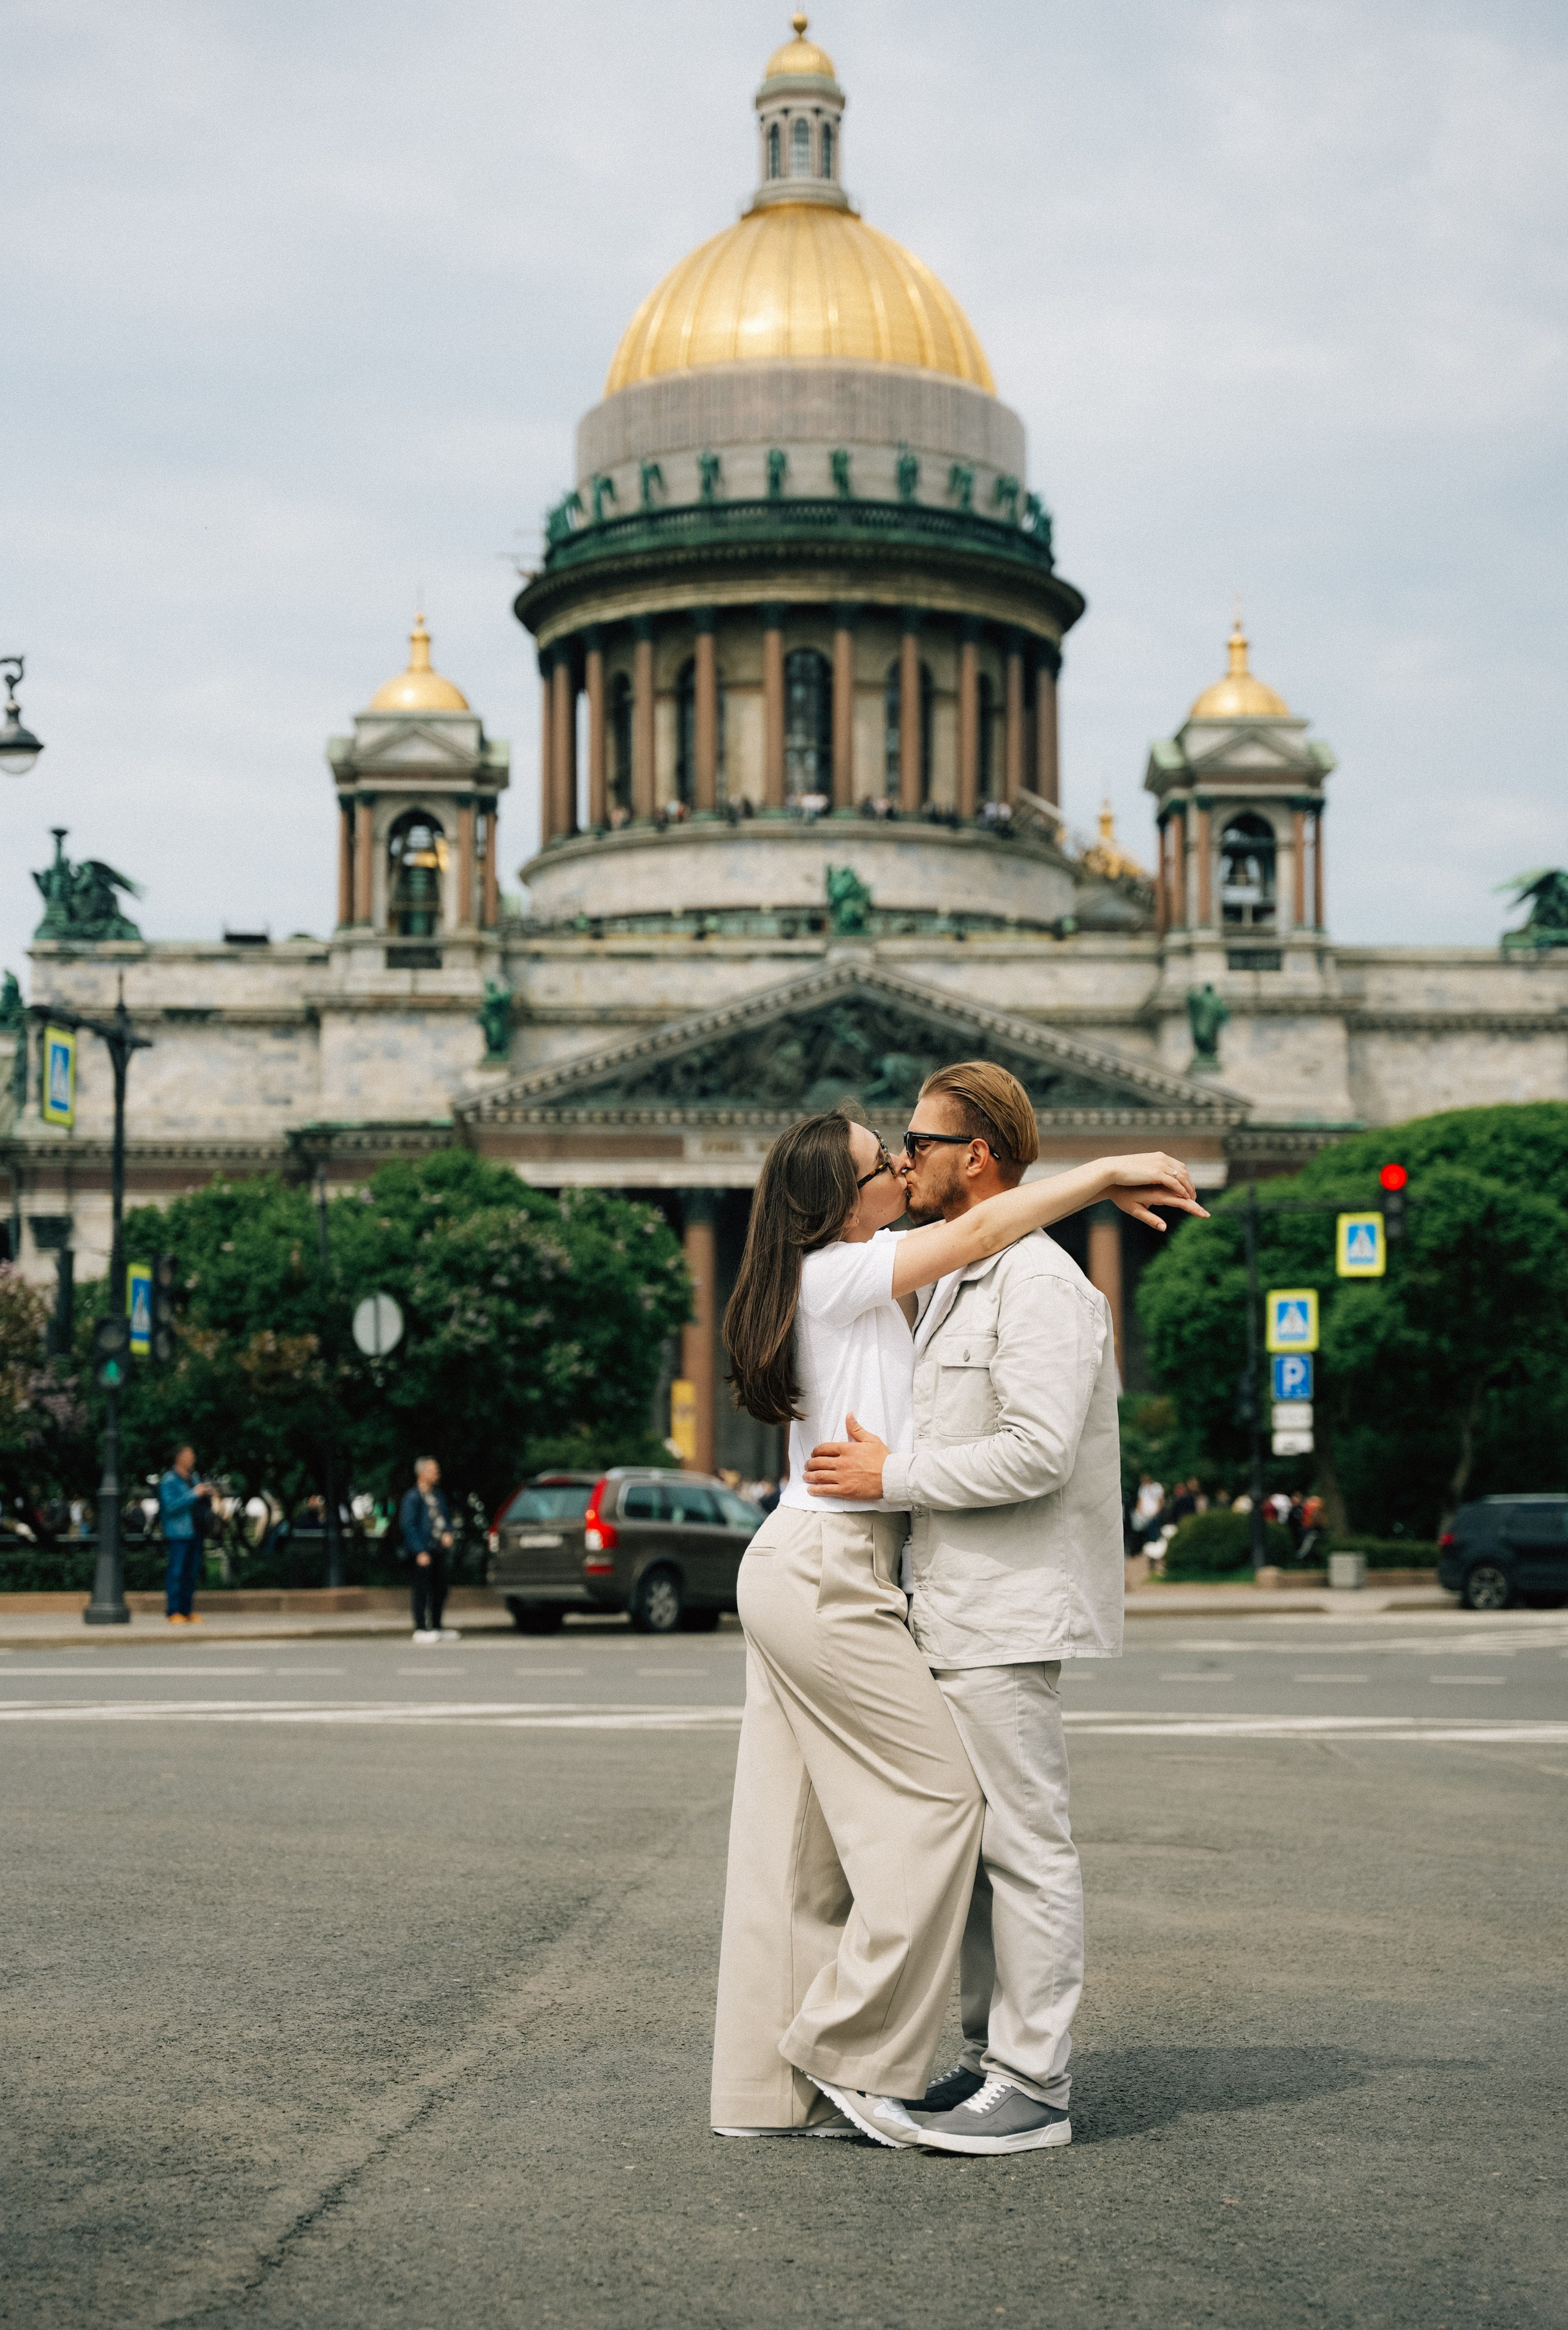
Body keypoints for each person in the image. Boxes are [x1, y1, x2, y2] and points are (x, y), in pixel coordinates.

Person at [710, 1102, 1202, 2149]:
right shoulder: (842, 1270)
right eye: (879, 1160)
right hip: (825, 1569)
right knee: (940, 1808)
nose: (898, 1161)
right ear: (839, 1201)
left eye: (908, 1146)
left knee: (794, 1847)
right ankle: (846, 2053)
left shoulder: (885, 1266)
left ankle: (763, 2091)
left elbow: (985, 1249)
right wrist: (1107, 1167)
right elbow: (981, 1232)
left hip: (822, 1564)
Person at [400, 1458, 456, 1643]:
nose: (437, 1474)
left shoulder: (437, 1495)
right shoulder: (413, 1497)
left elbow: (445, 1518)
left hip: (438, 1549)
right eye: (434, 1470)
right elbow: (408, 1525)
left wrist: (448, 1532)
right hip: (423, 1551)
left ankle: (437, 1626)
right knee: (422, 1589)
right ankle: (420, 1628)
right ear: (422, 1473)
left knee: (440, 1589)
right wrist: (419, 1551)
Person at [159, 1447, 210, 1625]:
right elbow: (171, 1506)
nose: (193, 1458)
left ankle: (187, 1611)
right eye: (189, 1455)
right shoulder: (169, 1480)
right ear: (179, 1458)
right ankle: (173, 1610)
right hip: (179, 1532)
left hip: (195, 1531)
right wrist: (194, 1494)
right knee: (177, 1571)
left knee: (191, 1572)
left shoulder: (194, 1478)